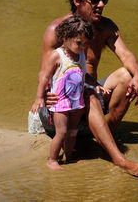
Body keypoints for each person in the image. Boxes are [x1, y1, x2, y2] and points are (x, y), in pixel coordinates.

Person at [31, 0, 138, 176]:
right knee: (89, 93)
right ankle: (119, 159)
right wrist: (43, 96)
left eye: (104, 0)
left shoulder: (106, 27)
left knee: (127, 76)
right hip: (59, 107)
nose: (101, 5)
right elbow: (45, 74)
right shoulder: (58, 31)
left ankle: (104, 137)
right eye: (95, 0)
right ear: (77, 1)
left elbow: (126, 55)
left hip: (85, 102)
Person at [34, 15, 106, 170]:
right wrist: (39, 98)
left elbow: (84, 74)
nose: (81, 47)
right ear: (66, 37)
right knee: (61, 132)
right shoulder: (56, 55)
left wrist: (96, 85)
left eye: (85, 45)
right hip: (60, 102)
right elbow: (45, 77)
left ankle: (68, 156)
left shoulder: (80, 54)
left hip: (76, 101)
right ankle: (52, 160)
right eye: (79, 43)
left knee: (72, 132)